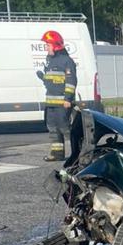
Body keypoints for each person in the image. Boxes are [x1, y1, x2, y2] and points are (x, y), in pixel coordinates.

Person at [36, 30, 77, 161]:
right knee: (53, 129)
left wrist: (68, 99)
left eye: (48, 45)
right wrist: (43, 78)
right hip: (50, 104)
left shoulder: (66, 61)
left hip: (62, 104)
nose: (46, 48)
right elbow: (52, 82)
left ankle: (79, 153)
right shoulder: (49, 61)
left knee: (66, 129)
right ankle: (57, 154)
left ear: (56, 45)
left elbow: (71, 82)